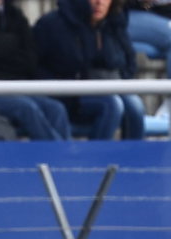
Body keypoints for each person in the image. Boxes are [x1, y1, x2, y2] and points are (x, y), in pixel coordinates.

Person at [34, 0, 148, 140]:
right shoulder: (52, 24)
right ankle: (95, 159)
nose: (99, 2)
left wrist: (121, 79)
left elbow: (129, 61)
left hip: (111, 87)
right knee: (112, 104)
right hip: (71, 95)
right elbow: (35, 66)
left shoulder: (115, 23)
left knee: (135, 105)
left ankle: (133, 159)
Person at [0, 0, 72, 140]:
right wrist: (14, 42)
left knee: (56, 109)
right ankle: (63, 157)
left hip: (16, 86)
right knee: (27, 109)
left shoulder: (14, 13)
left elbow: (30, 59)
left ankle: (57, 156)